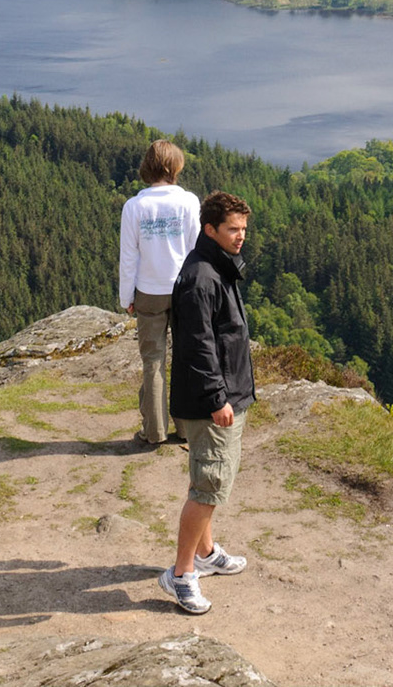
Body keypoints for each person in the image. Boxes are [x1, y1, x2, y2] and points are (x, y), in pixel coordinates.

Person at [158, 190, 254, 615]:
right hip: (212, 402)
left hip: (225, 395)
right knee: (208, 487)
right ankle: (180, 575)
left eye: (244, 230)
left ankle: (206, 552)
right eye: (232, 229)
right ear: (210, 229)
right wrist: (218, 398)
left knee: (213, 480)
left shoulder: (214, 266)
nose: (240, 237)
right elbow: (197, 346)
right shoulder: (201, 278)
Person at [119, 139, 199, 446]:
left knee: (153, 361)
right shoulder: (189, 202)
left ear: (147, 168)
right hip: (183, 291)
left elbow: (130, 257)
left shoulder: (134, 207)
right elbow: (196, 251)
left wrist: (127, 297)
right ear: (175, 167)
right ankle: (186, 429)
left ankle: (153, 432)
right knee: (184, 358)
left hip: (148, 292)